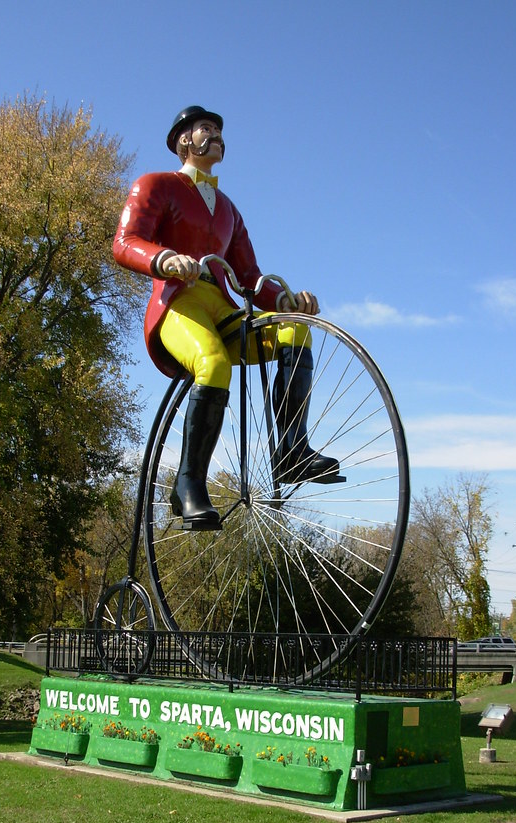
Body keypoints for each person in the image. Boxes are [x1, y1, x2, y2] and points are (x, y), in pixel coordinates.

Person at [113, 105, 339, 530]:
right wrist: (163, 259)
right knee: (212, 362)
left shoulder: (230, 211)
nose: (215, 135)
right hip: (179, 305)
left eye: (218, 129)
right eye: (206, 128)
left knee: (294, 332)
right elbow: (125, 242)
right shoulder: (156, 185)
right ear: (184, 140)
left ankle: (291, 448)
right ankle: (188, 484)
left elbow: (250, 280)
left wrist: (287, 300)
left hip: (221, 307)